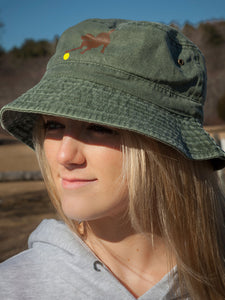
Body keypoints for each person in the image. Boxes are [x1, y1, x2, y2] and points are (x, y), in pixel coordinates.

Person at [0, 18, 224, 300]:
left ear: (166, 149)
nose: (64, 155)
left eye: (99, 127)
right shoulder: (13, 288)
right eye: (53, 125)